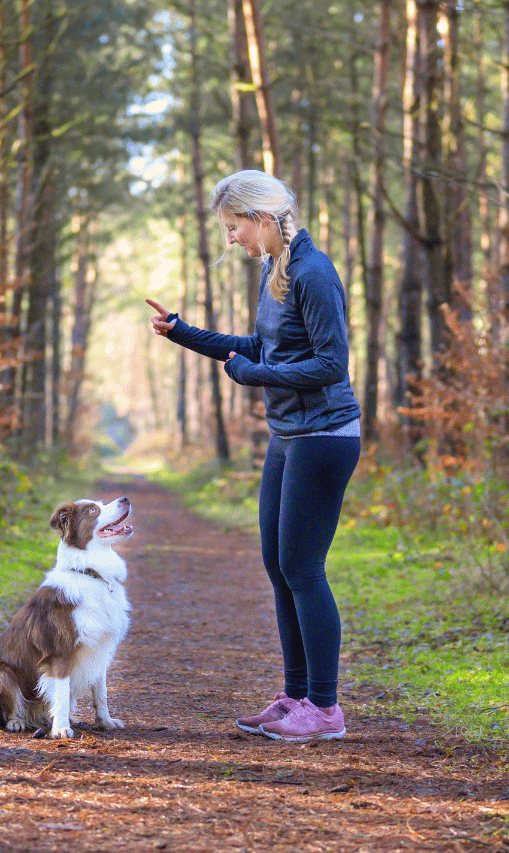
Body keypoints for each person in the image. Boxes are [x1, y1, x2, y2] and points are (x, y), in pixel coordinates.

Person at [146, 169, 360, 743]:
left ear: (262, 219)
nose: (232, 238)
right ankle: (294, 698)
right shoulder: (278, 268)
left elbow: (331, 364)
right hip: (289, 434)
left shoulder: (313, 272)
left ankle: (325, 708)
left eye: (234, 226)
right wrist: (183, 333)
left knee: (303, 568)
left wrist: (254, 376)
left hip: (325, 436)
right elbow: (261, 347)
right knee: (278, 566)